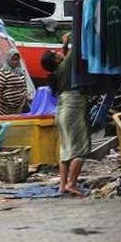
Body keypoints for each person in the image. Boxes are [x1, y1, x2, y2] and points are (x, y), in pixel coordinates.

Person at [42, 43, 88, 197]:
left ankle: (63, 185)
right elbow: (75, 49)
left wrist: (64, 46)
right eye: (56, 54)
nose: (60, 53)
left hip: (61, 111)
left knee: (65, 151)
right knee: (80, 150)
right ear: (56, 60)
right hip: (73, 108)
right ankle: (72, 183)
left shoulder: (57, 73)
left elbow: (66, 55)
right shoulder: (65, 66)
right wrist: (67, 42)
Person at [0, 49, 30, 115]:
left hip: (19, 107)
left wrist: (27, 96)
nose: (15, 62)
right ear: (8, 60)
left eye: (16, 60)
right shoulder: (3, 72)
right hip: (5, 108)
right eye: (12, 60)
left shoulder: (21, 72)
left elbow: (24, 87)